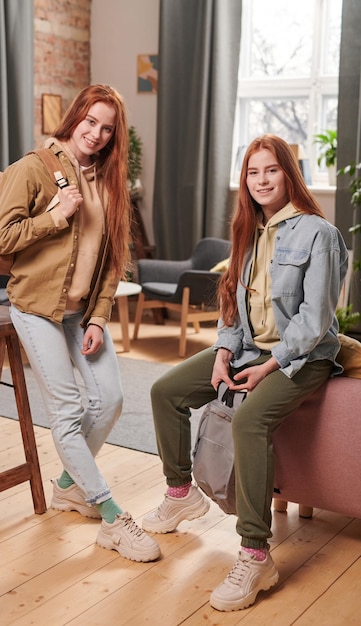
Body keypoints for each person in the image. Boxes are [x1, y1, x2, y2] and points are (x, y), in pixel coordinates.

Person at [142, 134, 348, 609]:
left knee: (251, 419)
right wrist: (222, 352)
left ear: (288, 174)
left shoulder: (319, 233)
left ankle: (255, 555)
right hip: (249, 348)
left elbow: (315, 321)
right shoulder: (247, 230)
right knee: (165, 390)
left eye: (270, 170)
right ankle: (180, 493)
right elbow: (232, 305)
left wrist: (269, 366)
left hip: (305, 358)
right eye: (252, 173)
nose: (261, 181)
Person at [0, 84, 160, 563]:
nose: (97, 134)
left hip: (81, 313)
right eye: (91, 122)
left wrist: (100, 316)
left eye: (107, 129)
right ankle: (111, 516)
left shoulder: (108, 181)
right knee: (67, 410)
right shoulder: (34, 168)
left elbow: (112, 261)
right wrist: (55, 215)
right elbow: (5, 240)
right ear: (75, 117)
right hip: (36, 306)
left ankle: (67, 486)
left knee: (110, 399)